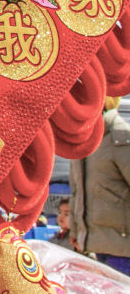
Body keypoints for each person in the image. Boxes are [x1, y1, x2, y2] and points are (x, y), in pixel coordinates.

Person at [70, 95, 130, 275]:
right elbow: (76, 192)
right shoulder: (82, 140)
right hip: (92, 248)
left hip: (122, 252)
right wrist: (75, 230)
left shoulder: (120, 137)